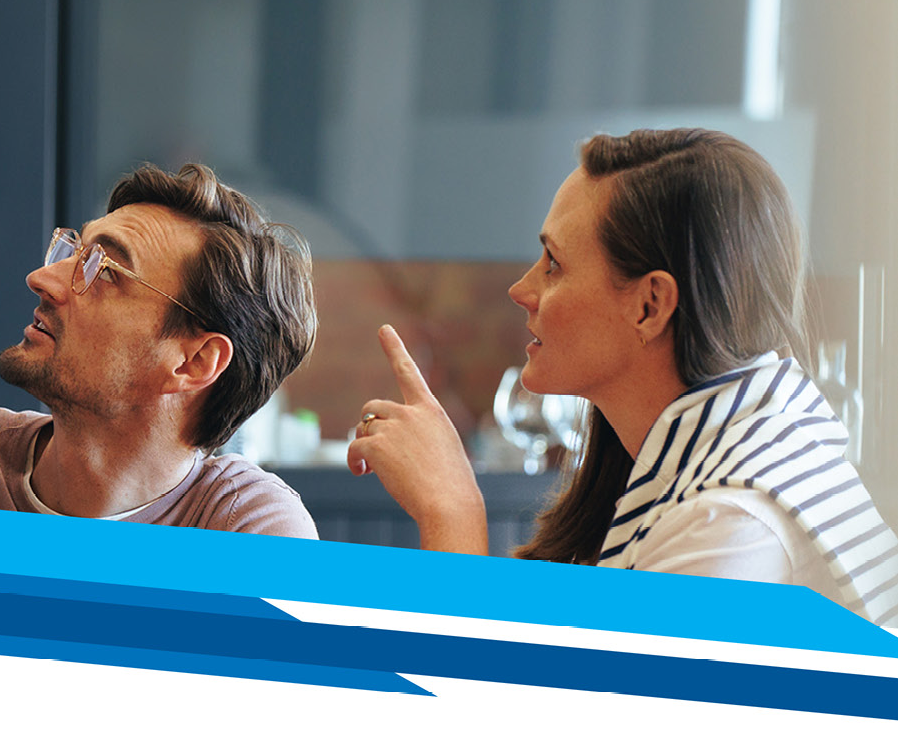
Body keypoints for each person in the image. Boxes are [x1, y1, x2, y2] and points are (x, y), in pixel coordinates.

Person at [350, 128, 898, 626]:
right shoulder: (713, 457)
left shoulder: (731, 526)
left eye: (553, 264)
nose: (522, 288)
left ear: (650, 305)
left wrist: (451, 513)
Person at [0, 164, 320, 539]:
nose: (41, 279)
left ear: (194, 362)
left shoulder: (247, 530)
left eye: (104, 271)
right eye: (72, 250)